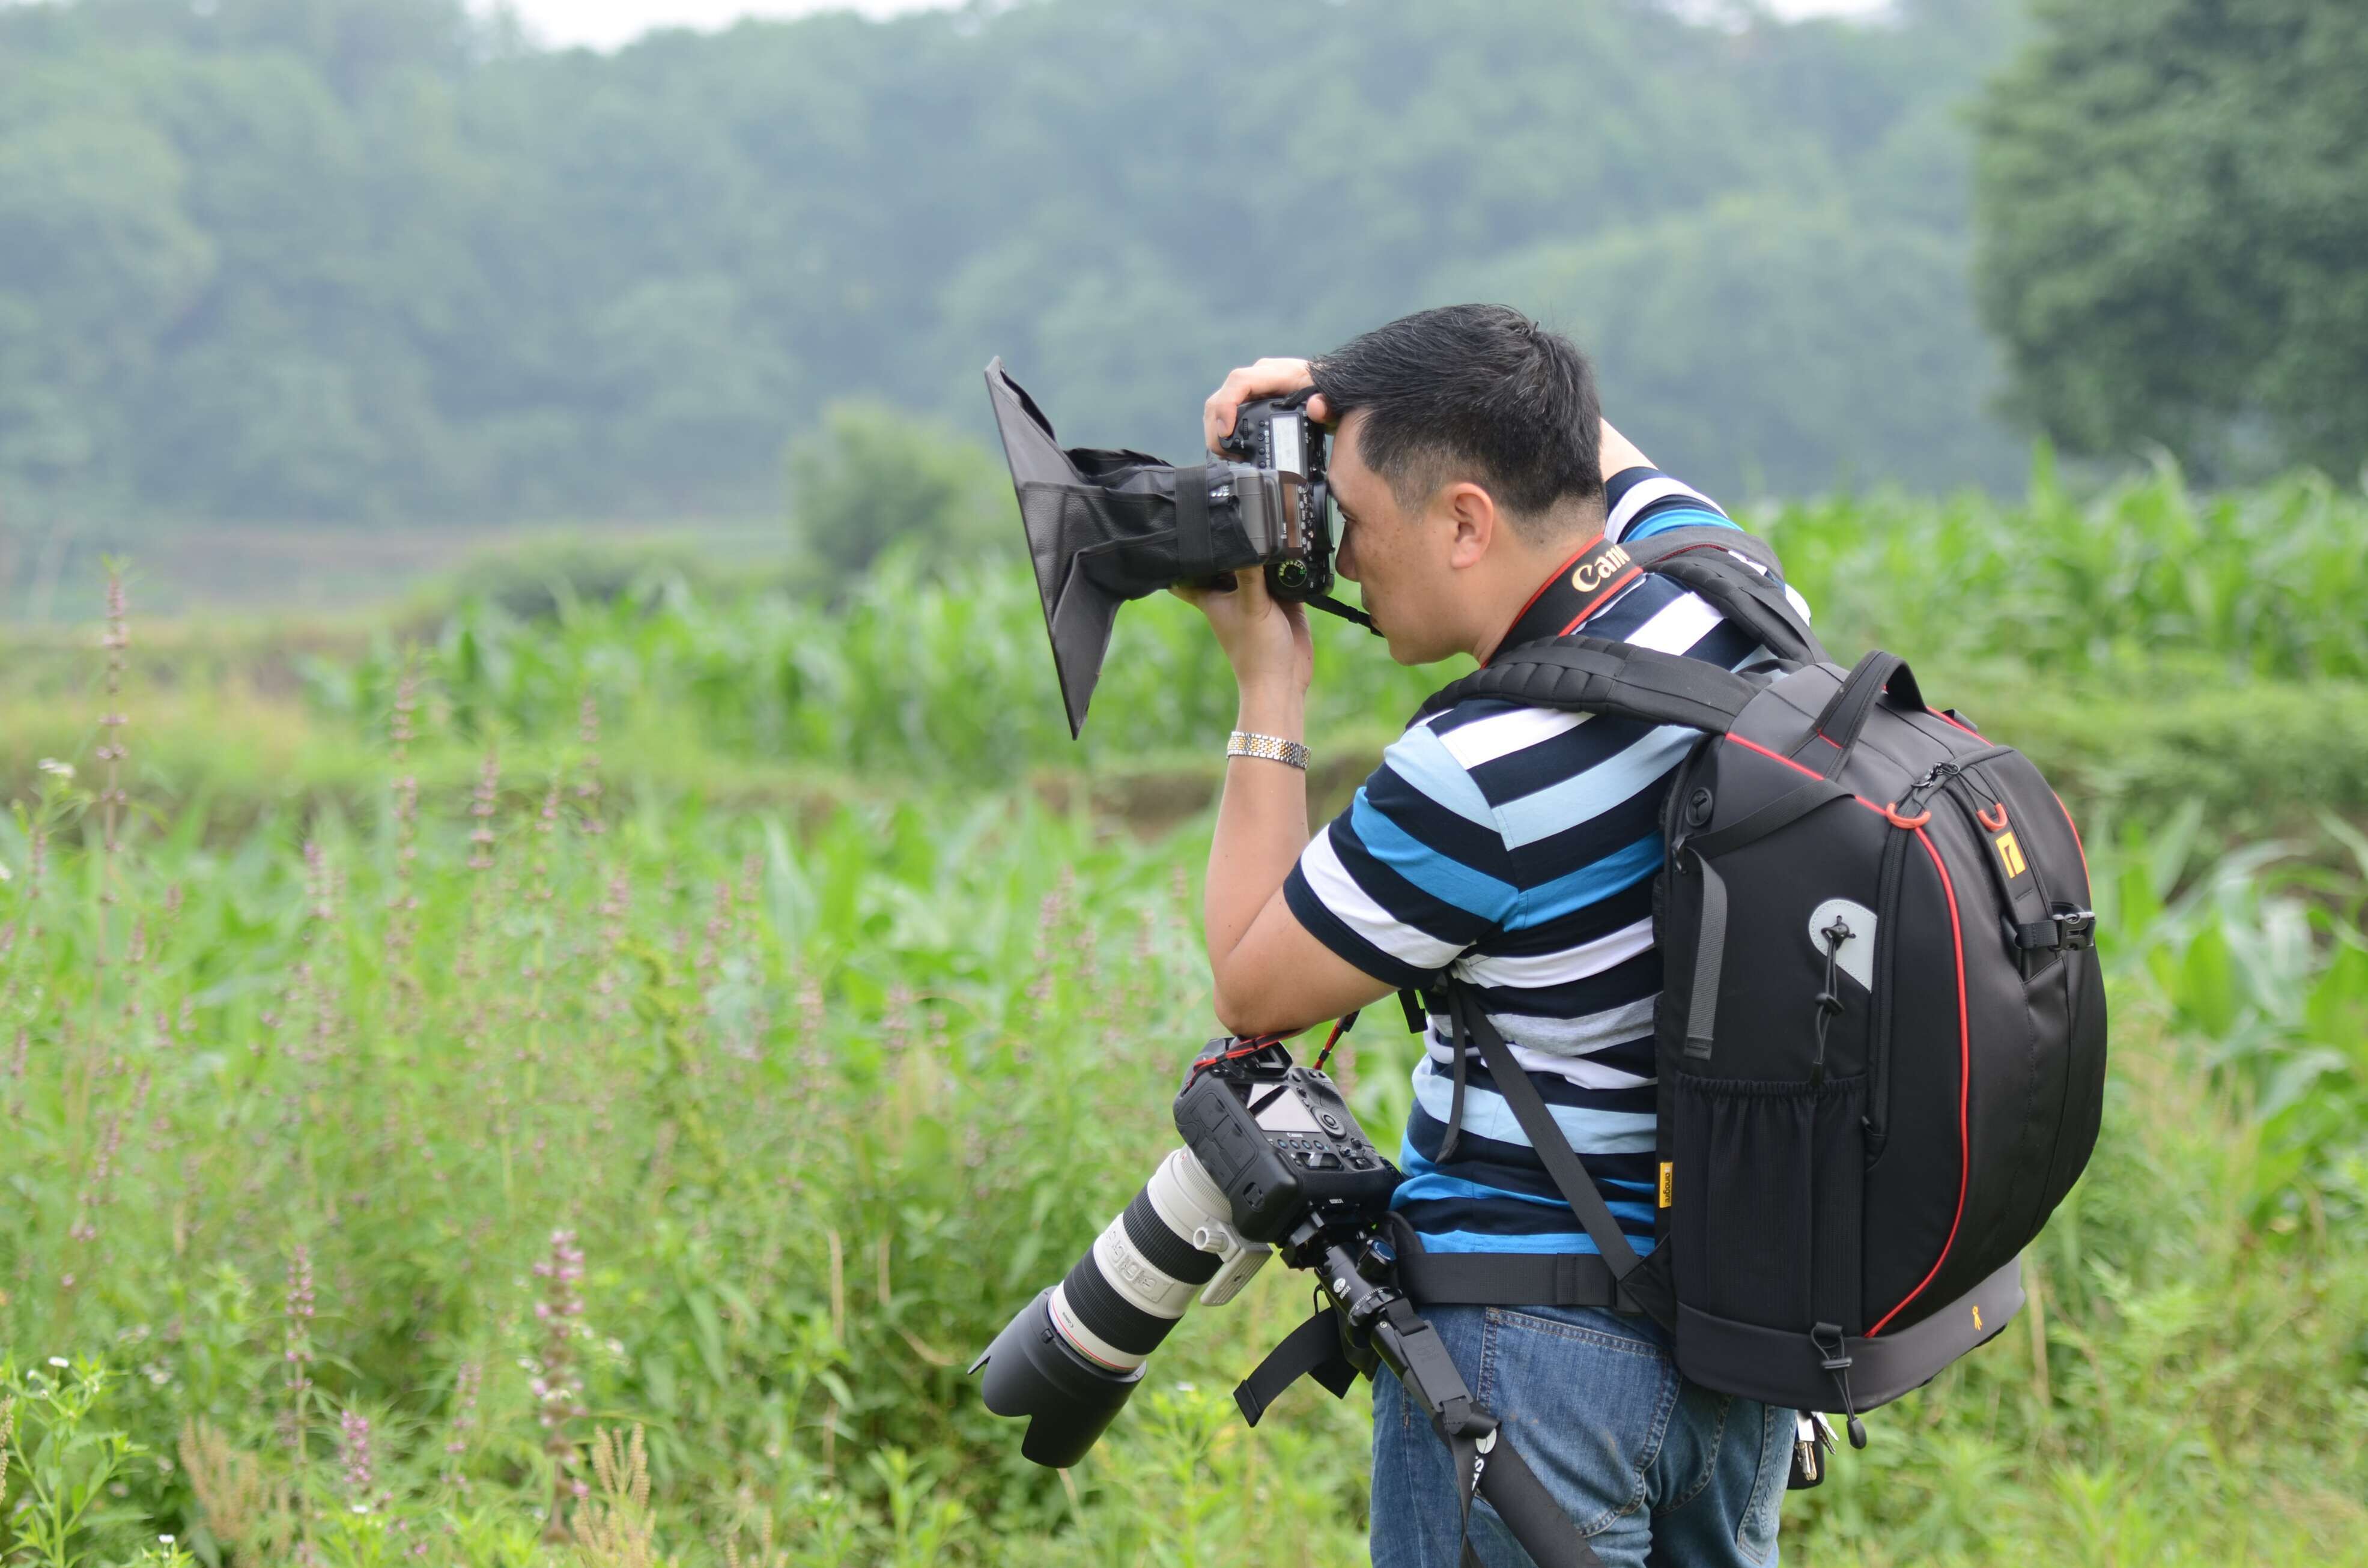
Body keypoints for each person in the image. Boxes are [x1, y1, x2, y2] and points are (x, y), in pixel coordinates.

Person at [1179, 304, 1796, 1567]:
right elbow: (1577, 437)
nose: (1338, 556)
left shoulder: (1474, 775)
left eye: (1354, 515)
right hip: (1739, 1342)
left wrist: (1267, 681)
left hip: (1529, 1360)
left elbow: (1251, 980)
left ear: (1465, 521)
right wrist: (1355, 385)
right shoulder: (1735, 598)